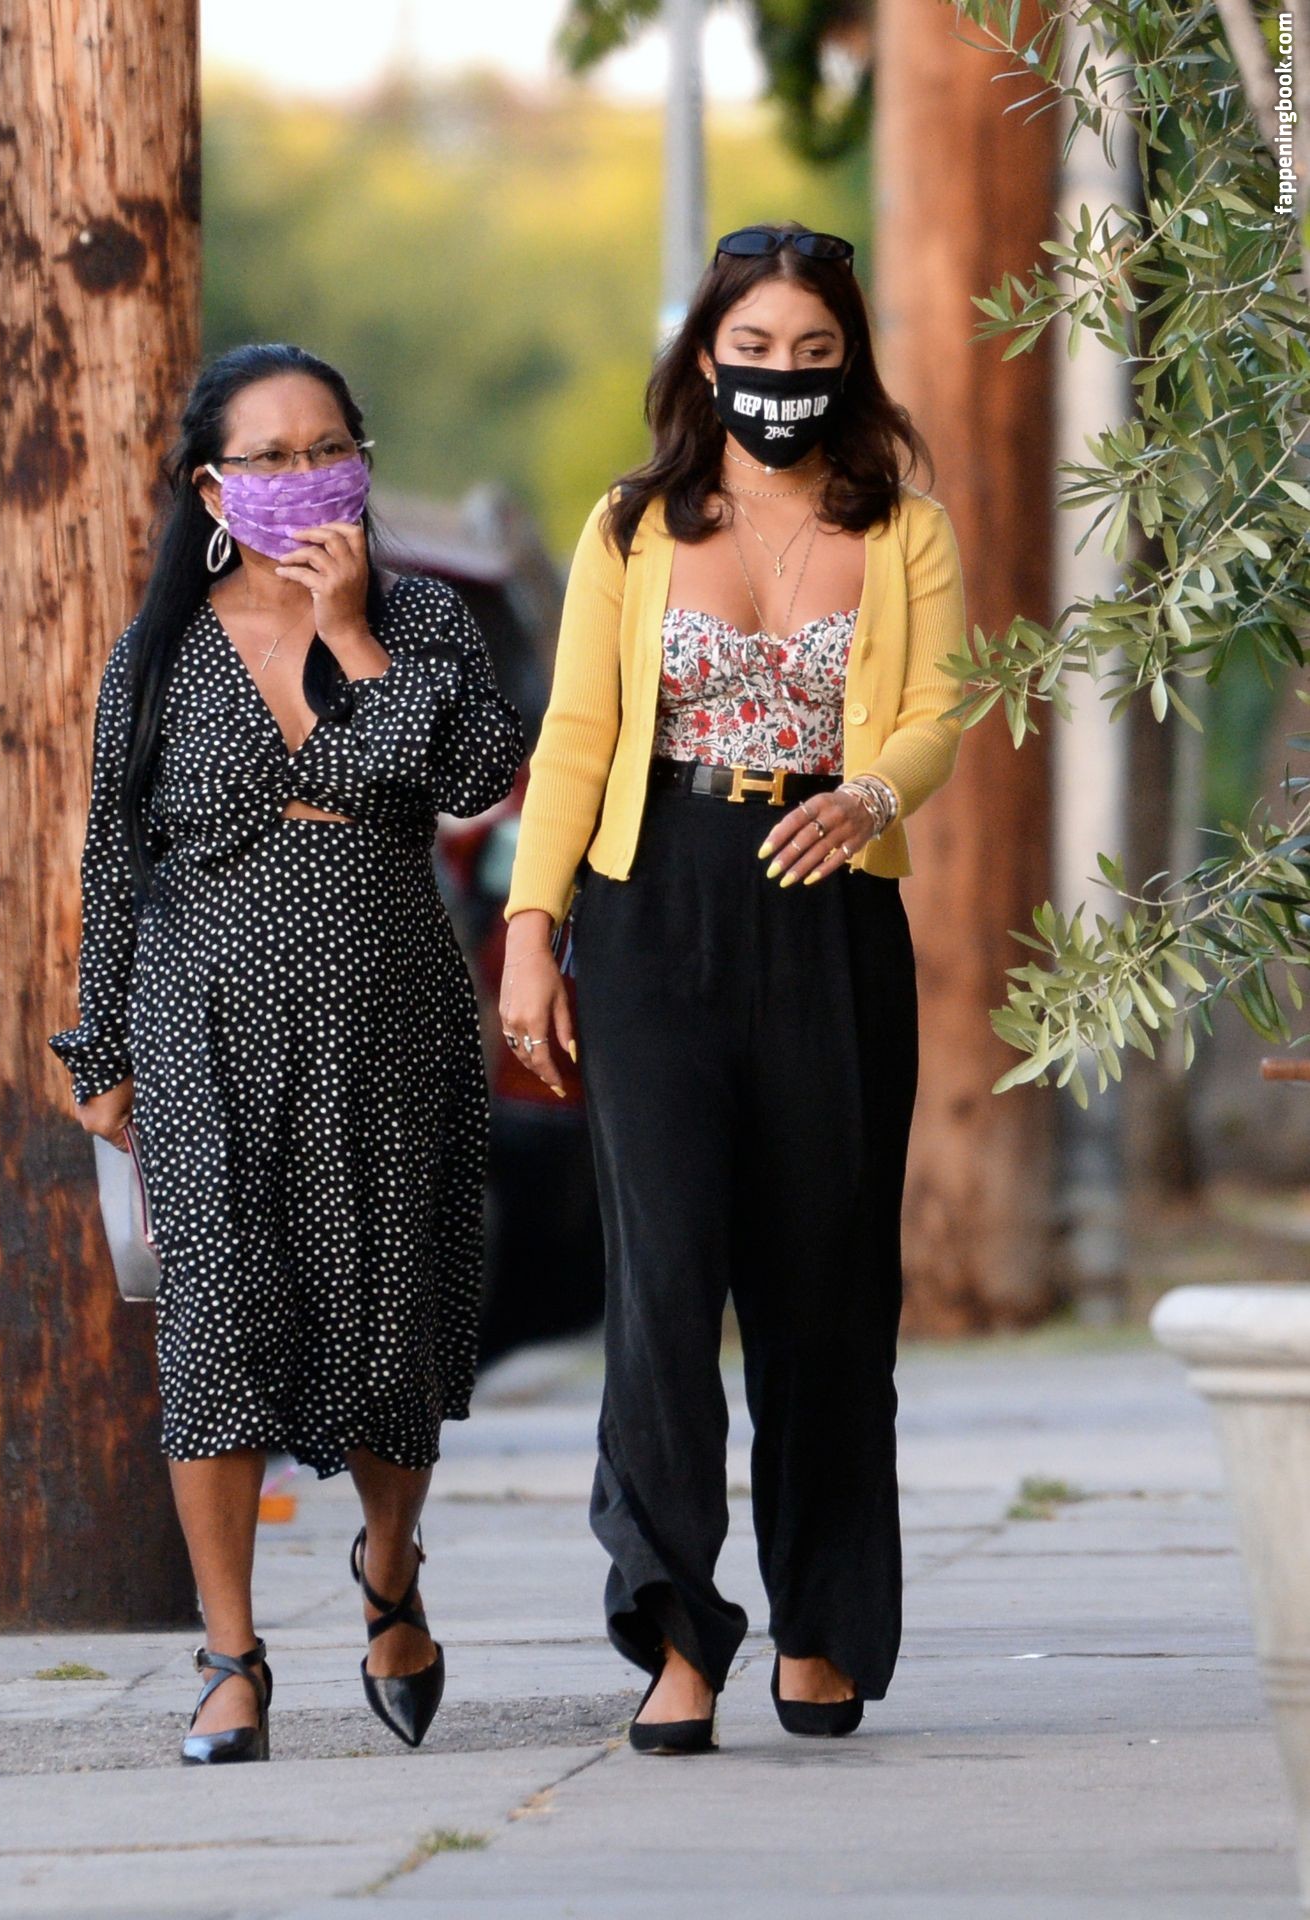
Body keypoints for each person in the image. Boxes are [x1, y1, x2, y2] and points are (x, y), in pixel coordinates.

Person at [499, 222, 967, 1754]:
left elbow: (937, 708)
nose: (780, 377)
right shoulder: (631, 525)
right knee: (661, 1291)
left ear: (848, 364)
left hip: (830, 914)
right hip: (654, 916)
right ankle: (672, 1633)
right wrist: (531, 930)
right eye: (753, 350)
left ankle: (819, 1625)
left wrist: (875, 794)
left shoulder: (902, 527)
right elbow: (577, 733)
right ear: (705, 356)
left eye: (812, 354)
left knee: (825, 1293)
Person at [48, 342, 525, 1764]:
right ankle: (229, 1655)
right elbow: (112, 860)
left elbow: (473, 780)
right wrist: (102, 1046)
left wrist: (354, 631)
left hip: (389, 1021)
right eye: (269, 457)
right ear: (212, 488)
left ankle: (390, 1572)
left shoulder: (422, 618)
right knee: (215, 1329)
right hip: (203, 1026)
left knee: (391, 1325)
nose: (304, 476)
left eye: (328, 449)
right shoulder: (156, 651)